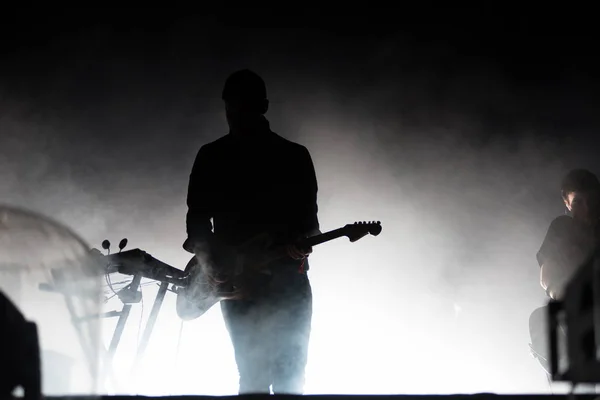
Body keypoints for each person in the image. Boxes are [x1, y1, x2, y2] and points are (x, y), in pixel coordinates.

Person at [183, 69, 320, 394]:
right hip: (245, 285)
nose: (236, 115)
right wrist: (213, 264)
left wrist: (302, 244)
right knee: (272, 378)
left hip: (279, 282)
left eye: (241, 107)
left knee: (274, 379)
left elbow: (310, 225)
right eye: (233, 107)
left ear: (262, 107)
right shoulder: (290, 156)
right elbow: (197, 227)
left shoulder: (288, 156)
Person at [529, 169, 600, 382]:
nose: (586, 209)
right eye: (578, 202)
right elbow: (547, 275)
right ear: (566, 202)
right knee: (539, 319)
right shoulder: (562, 227)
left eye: (592, 200)